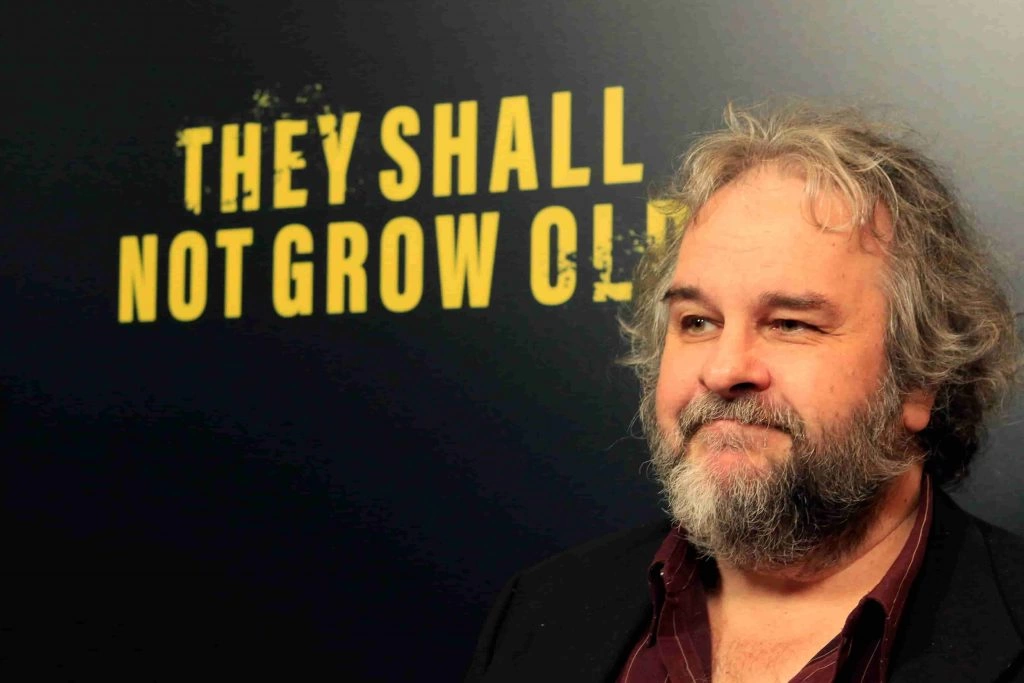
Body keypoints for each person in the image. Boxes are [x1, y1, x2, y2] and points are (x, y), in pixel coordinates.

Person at [466, 103, 1024, 682]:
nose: (724, 369)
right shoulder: (539, 612)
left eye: (789, 324)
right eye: (697, 322)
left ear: (921, 378)